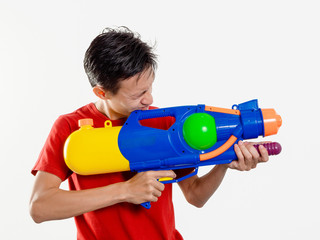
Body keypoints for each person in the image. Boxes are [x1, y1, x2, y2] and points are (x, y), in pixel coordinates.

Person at [29, 26, 269, 240]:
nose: (150, 99)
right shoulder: (70, 126)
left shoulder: (163, 121)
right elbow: (40, 207)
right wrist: (125, 191)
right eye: (137, 95)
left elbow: (195, 196)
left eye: (150, 88)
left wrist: (225, 162)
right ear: (102, 93)